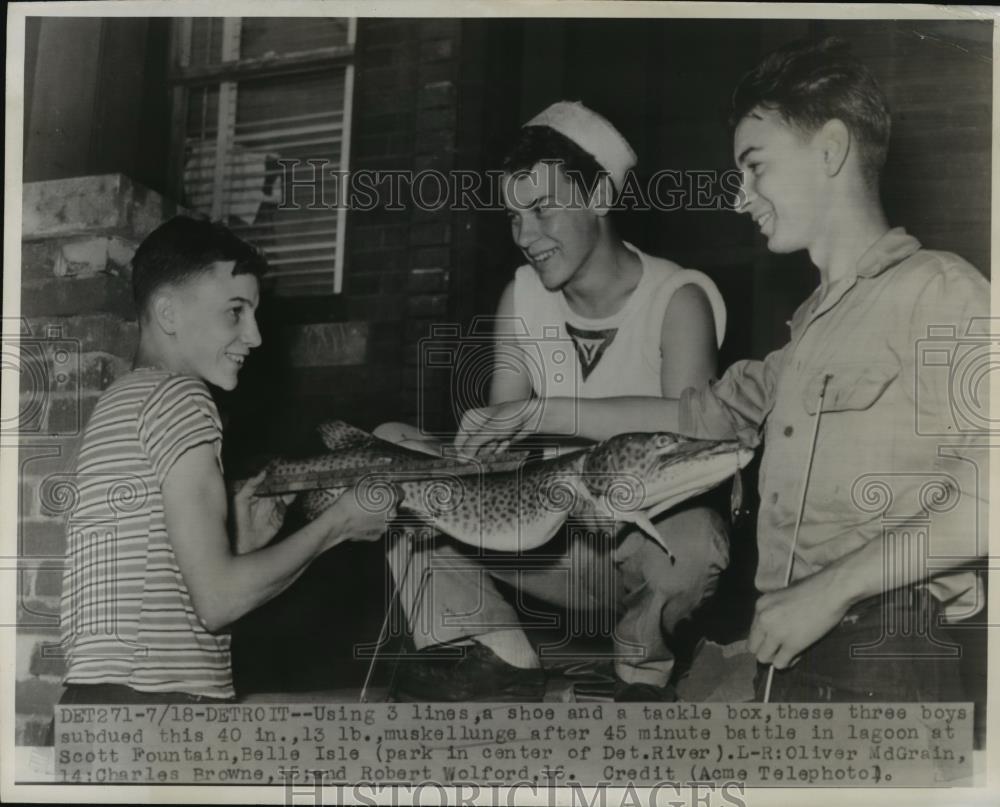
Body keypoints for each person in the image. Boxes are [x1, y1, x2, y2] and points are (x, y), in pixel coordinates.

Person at [459, 39, 988, 702]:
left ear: (829, 150)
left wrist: (832, 588)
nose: (742, 197)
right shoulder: (804, 341)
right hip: (793, 653)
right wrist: (535, 413)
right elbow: (688, 414)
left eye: (755, 166)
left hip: (889, 646)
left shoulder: (938, 291)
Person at [387, 102, 731, 701]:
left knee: (698, 540)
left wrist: (545, 414)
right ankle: (498, 655)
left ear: (597, 195)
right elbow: (496, 467)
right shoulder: (522, 299)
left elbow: (691, 431)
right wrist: (474, 451)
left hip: (643, 552)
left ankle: (640, 670)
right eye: (514, 217)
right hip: (548, 548)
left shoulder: (680, 299)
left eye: (542, 208)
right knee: (390, 450)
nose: (525, 236)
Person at [58, 216, 395, 704]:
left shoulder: (121, 401)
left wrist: (239, 540)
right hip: (158, 715)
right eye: (235, 312)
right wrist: (338, 525)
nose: (255, 336)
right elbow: (218, 602)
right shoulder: (182, 399)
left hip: (96, 708)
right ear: (169, 314)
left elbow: (158, 580)